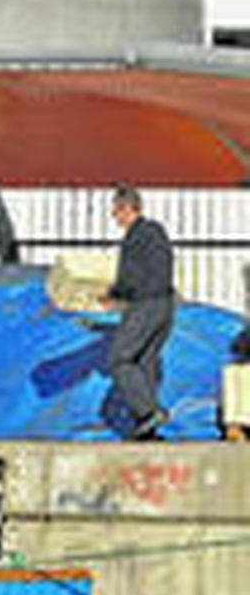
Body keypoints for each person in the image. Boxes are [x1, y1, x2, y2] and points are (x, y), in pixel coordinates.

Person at [104, 184, 175, 440]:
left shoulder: (134, 237)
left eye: (115, 212)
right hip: (166, 306)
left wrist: (112, 295)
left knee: (119, 359)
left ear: (126, 209)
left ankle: (148, 412)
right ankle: (148, 433)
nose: (115, 218)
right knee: (146, 363)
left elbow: (128, 278)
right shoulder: (157, 232)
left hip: (145, 304)